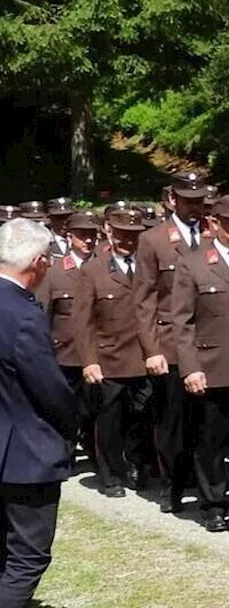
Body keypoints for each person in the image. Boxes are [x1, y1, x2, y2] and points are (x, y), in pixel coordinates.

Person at [0, 218, 78, 606]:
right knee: (28, 556)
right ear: (36, 261)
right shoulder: (25, 314)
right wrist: (71, 424)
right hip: (26, 455)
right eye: (48, 258)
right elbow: (50, 389)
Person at [172, 196, 229, 532]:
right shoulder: (193, 263)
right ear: (213, 223)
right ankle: (214, 503)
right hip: (212, 365)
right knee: (212, 442)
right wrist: (190, 367)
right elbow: (182, 320)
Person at [134, 171, 208, 513]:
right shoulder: (154, 240)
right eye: (187, 200)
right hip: (171, 342)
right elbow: (144, 299)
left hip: (210, 343)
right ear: (172, 200)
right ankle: (171, 485)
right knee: (172, 422)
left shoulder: (213, 233)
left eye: (199, 200)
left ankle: (206, 483)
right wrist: (152, 350)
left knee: (208, 423)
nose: (195, 206)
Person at [73, 208, 154, 498]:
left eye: (133, 235)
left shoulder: (147, 266)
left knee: (142, 418)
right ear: (108, 232)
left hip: (144, 359)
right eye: (121, 235)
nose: (128, 241)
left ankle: (135, 464)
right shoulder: (93, 270)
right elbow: (82, 322)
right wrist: (89, 361)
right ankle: (109, 475)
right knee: (108, 423)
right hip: (109, 360)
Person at [37, 210, 98, 460]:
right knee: (68, 407)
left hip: (100, 352)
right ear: (69, 236)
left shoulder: (105, 267)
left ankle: (98, 457)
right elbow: (44, 313)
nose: (88, 241)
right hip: (66, 352)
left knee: (96, 410)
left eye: (93, 235)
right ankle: (66, 453)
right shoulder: (55, 272)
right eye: (83, 235)